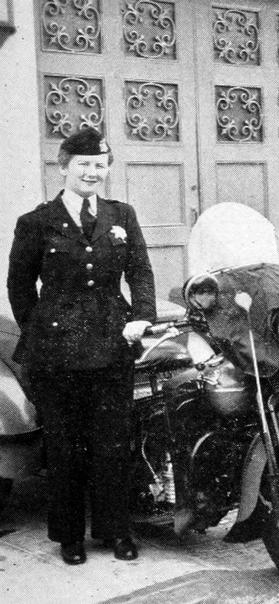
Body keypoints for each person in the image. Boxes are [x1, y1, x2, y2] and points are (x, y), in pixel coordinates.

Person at [6, 127, 155, 565]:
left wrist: (142, 316)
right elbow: (19, 286)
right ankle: (70, 538)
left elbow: (141, 271)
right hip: (58, 352)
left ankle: (116, 530)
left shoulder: (121, 215)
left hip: (113, 343)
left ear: (107, 168)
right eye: (83, 164)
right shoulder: (36, 222)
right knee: (66, 446)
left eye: (99, 164)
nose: (92, 172)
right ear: (65, 167)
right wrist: (42, 332)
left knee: (112, 443)